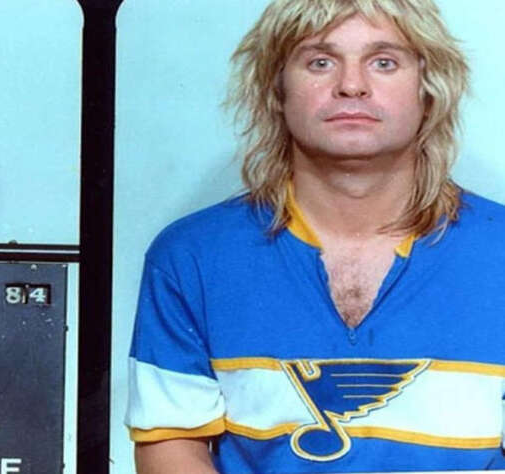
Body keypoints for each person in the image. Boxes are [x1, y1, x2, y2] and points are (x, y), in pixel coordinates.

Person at [126, 0, 505, 472]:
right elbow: (171, 442)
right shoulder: (191, 257)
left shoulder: (497, 253)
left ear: (429, 90)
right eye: (320, 61)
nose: (351, 85)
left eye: (384, 62)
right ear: (276, 90)